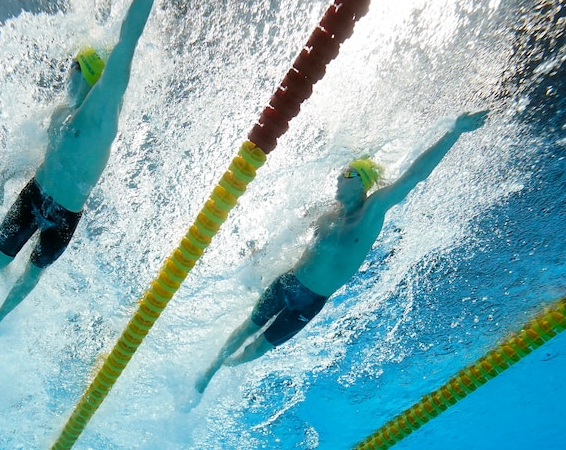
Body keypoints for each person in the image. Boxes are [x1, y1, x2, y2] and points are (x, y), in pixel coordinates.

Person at [0, 0, 187, 349]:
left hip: (65, 216)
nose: (65, 73)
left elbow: (127, 42)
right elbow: (35, 155)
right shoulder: (58, 114)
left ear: (87, 75)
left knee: (33, 272)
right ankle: (1, 293)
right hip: (35, 195)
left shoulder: (103, 110)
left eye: (72, 67)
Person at [195, 110, 488, 392]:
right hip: (288, 282)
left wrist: (454, 133)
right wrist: (258, 256)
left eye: (345, 174)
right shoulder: (324, 212)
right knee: (248, 327)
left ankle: (230, 365)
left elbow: (414, 176)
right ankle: (210, 370)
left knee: (259, 347)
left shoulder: (371, 212)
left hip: (311, 302)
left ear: (361, 181)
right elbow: (287, 237)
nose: (337, 179)